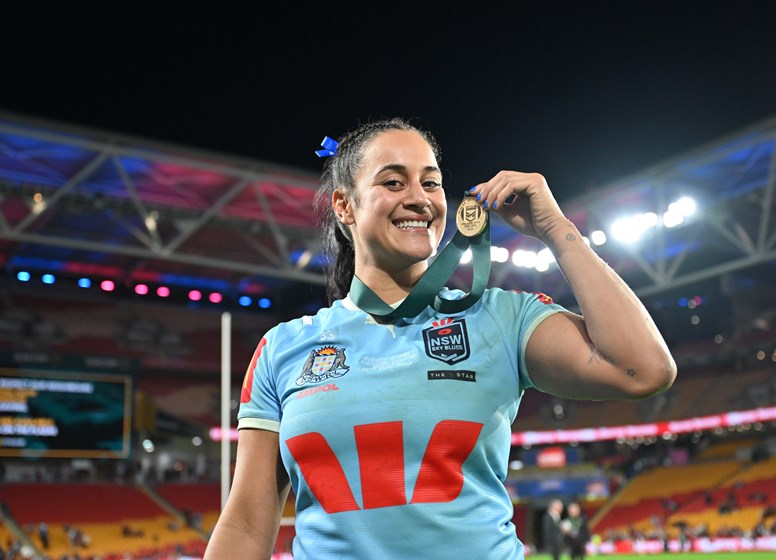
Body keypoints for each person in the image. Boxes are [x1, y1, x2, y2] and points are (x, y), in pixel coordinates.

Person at [203, 117, 676, 559]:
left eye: (430, 182)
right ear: (344, 205)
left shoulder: (500, 317)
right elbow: (246, 523)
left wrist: (557, 230)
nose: (419, 197)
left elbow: (642, 369)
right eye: (393, 182)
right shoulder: (283, 349)